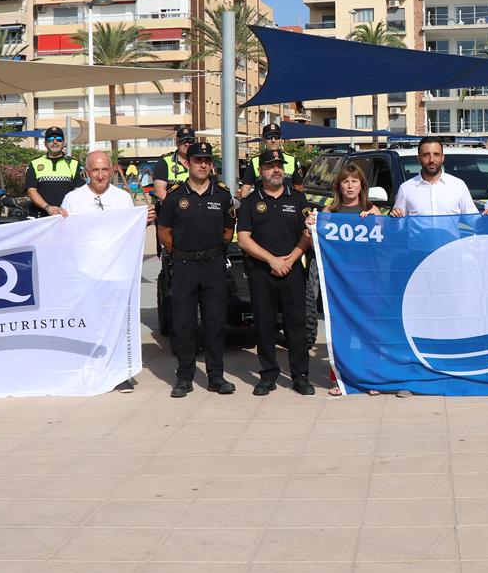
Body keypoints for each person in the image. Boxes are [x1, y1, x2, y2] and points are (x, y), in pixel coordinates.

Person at [61, 150, 156, 393]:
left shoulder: (123, 198)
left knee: (120, 325)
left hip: (117, 274)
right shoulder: (72, 199)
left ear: (112, 170)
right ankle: (93, 370)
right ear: (87, 172)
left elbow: (129, 233)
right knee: (90, 324)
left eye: (105, 170)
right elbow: (63, 237)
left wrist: (142, 220)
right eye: (95, 170)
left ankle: (121, 373)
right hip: (87, 275)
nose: (100, 175)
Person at [156, 142, 238, 398]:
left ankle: (216, 377)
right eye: (198, 160)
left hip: (213, 264)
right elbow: (164, 231)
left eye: (207, 160)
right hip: (184, 265)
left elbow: (228, 228)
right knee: (184, 324)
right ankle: (184, 377)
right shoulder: (175, 195)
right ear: (187, 163)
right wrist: (180, 252)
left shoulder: (222, 195)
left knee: (215, 323)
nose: (203, 165)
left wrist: (216, 249)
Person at [237, 149, 315, 396]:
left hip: (292, 271)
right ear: (261, 171)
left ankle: (300, 375)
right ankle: (268, 374)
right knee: (264, 324)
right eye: (270, 166)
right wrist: (272, 260)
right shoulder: (250, 202)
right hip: (261, 271)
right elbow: (243, 239)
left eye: (279, 165)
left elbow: (308, 235)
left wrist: (290, 260)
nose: (276, 169)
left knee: (296, 325)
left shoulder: (298, 199)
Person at [304, 162, 383, 397]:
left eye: (354, 182)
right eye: (346, 182)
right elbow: (316, 243)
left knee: (369, 331)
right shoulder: (329, 212)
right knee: (342, 332)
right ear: (339, 185)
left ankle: (373, 379)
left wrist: (374, 221)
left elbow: (384, 240)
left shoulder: (373, 210)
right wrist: (310, 228)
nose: (350, 186)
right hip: (339, 282)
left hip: (367, 280)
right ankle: (341, 379)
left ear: (362, 186)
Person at [390, 137, 479, 217]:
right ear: (418, 158)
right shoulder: (405, 189)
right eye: (426, 155)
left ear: (442, 158)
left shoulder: (458, 186)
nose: (431, 160)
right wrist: (394, 219)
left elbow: (474, 220)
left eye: (436, 154)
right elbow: (399, 226)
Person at [26, 126, 85, 217]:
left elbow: (79, 191)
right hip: (41, 216)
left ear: (64, 142)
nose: (55, 142)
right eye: (50, 139)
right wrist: (48, 208)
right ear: (45, 143)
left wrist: (63, 208)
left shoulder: (74, 163)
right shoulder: (34, 163)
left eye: (59, 139)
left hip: (66, 216)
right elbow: (31, 190)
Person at [240, 122, 299, 198]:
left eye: (277, 136)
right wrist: (246, 207)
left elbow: (298, 188)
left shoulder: (291, 159)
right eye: (269, 136)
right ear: (263, 139)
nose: (273, 140)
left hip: (287, 206)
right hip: (262, 207)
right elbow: (246, 188)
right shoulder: (255, 161)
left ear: (280, 139)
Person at [153, 126, 196, 200]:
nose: (187, 144)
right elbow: (159, 192)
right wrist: (179, 207)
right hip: (172, 208)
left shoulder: (201, 161)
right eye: (183, 141)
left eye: (190, 141)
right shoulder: (165, 161)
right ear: (176, 142)